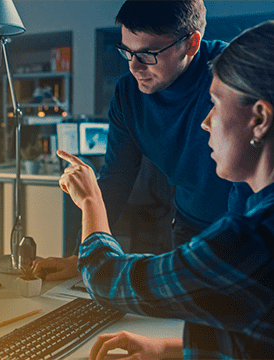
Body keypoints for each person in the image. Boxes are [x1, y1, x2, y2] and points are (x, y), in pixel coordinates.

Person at [58, 20, 274, 360]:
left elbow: (106, 279)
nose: (205, 122)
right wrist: (168, 349)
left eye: (215, 104)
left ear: (260, 119)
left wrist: (90, 200)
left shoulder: (251, 241)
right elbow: (257, 338)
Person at [34, 0, 250, 282]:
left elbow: (246, 184)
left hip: (245, 230)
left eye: (148, 54)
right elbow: (116, 177)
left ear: (192, 44)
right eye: (127, 52)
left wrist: (237, 259)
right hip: (188, 226)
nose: (135, 67)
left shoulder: (234, 79)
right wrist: (80, 256)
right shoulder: (128, 95)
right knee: (180, 322)